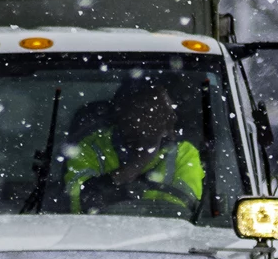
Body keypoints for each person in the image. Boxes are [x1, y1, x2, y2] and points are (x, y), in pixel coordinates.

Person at [64, 79, 204, 217]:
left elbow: (182, 215)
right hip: (92, 235)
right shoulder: (91, 147)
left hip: (163, 237)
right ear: (126, 115)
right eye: (156, 112)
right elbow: (79, 204)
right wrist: (138, 162)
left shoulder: (184, 153)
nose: (171, 118)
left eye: (169, 111)